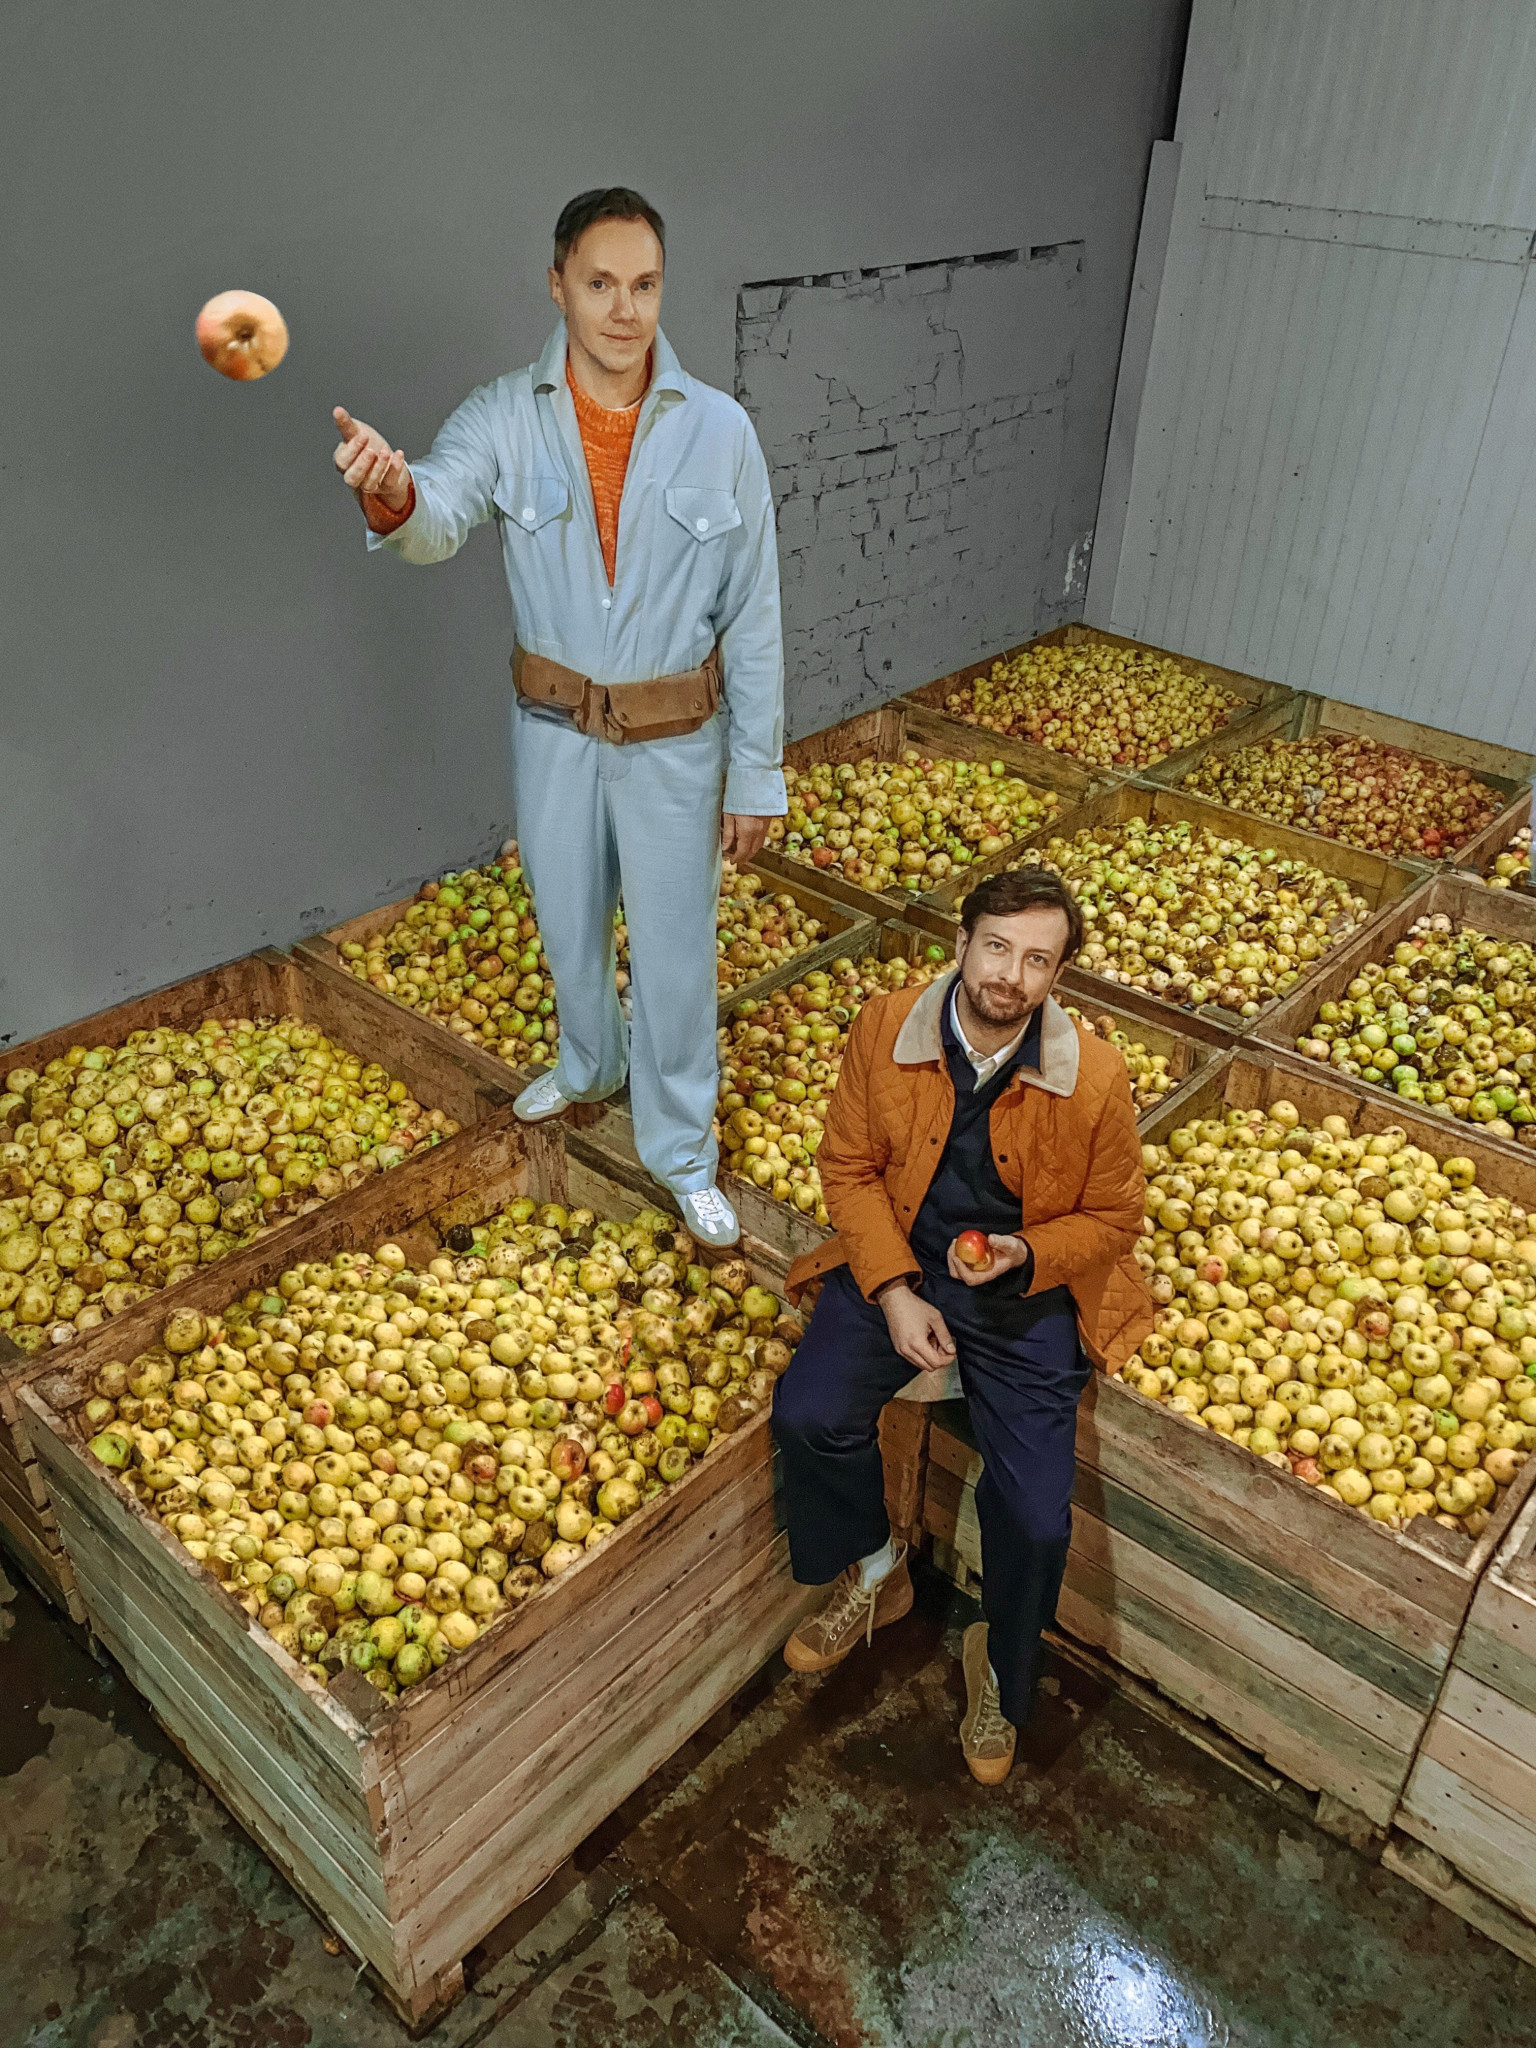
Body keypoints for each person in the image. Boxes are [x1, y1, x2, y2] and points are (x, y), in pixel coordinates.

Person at [330, 187, 786, 1247]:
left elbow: (755, 609)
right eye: (600, 283)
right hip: (553, 738)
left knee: (675, 955)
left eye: (645, 285)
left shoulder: (720, 431)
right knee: (568, 926)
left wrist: (757, 771)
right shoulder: (504, 414)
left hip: (676, 744)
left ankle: (682, 1151)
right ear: (557, 286)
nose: (625, 310)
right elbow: (437, 513)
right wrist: (390, 490)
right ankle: (589, 1064)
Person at [772, 868, 1153, 1782]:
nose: (1010, 976)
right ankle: (877, 1570)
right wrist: (895, 1291)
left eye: (1036, 960)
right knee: (808, 1413)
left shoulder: (1095, 1075)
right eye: (997, 947)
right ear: (962, 942)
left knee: (1035, 1517)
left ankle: (1001, 1668)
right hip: (900, 1253)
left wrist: (1026, 1251)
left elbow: (1115, 1218)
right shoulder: (885, 1027)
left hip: (1020, 1292)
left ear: (1058, 975)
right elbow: (847, 1168)